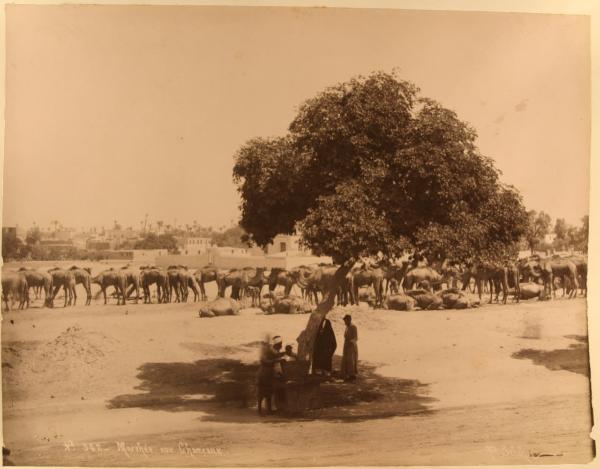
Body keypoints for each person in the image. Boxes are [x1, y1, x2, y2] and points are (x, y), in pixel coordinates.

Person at [256, 335, 285, 415]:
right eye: (280, 344)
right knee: (261, 394)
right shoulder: (266, 351)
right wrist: (277, 360)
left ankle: (269, 410)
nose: (281, 346)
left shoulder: (271, 350)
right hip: (263, 374)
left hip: (269, 374)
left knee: (269, 393)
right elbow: (264, 361)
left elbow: (276, 356)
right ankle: (260, 411)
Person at [340, 314, 358, 382]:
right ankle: (347, 374)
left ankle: (352, 375)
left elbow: (355, 338)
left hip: (351, 346)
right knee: (345, 360)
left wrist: (350, 343)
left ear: (349, 320)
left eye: (346, 321)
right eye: (344, 321)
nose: (345, 323)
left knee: (351, 360)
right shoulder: (347, 327)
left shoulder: (354, 327)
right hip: (346, 345)